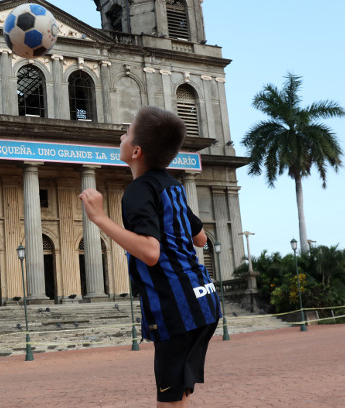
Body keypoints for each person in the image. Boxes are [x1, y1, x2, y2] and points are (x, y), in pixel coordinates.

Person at [79, 106, 221, 408]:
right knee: (178, 395)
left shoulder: (138, 191)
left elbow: (150, 252)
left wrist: (99, 218)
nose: (121, 135)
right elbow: (201, 238)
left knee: (168, 401)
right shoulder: (174, 186)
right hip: (204, 300)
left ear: (136, 151)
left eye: (127, 133)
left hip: (177, 308)